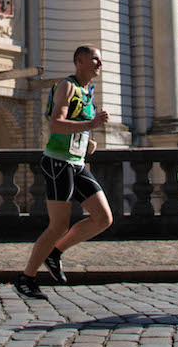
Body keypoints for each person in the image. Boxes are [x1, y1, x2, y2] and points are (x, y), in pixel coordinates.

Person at [14, 45, 111, 300]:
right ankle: (26, 278)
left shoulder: (88, 91)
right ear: (79, 61)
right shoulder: (67, 86)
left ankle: (55, 253)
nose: (99, 64)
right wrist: (90, 124)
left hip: (76, 163)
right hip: (58, 163)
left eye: (100, 60)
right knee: (58, 225)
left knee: (103, 218)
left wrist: (87, 139)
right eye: (95, 60)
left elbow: (75, 127)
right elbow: (56, 123)